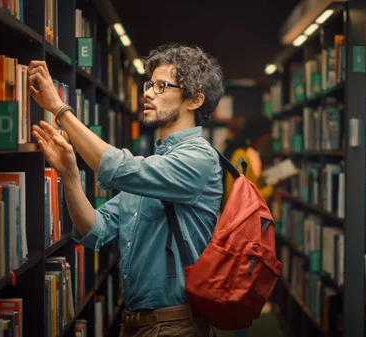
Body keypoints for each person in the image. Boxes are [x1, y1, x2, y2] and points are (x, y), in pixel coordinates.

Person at [28, 43, 225, 337]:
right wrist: (69, 173)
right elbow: (96, 230)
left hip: (176, 326)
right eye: (149, 84)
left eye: (161, 86)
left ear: (194, 100)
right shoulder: (154, 167)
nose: (146, 93)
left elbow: (118, 168)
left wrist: (60, 109)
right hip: (134, 324)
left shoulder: (199, 159)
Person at [222, 112, 275, 206]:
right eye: (267, 136)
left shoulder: (243, 154)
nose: (268, 140)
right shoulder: (241, 157)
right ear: (259, 135)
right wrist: (271, 187)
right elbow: (242, 199)